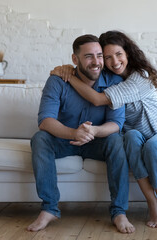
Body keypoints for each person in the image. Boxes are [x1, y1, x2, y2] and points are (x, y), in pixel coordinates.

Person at [51, 30, 157, 228]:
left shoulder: (140, 77)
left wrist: (70, 76)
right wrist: (69, 68)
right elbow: (88, 70)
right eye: (108, 57)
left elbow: (97, 100)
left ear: (127, 53)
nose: (114, 61)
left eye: (119, 54)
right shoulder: (107, 79)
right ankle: (152, 204)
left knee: (153, 147)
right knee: (129, 138)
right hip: (135, 136)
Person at [28, 34, 136, 234]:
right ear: (75, 59)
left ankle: (119, 211)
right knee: (40, 139)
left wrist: (94, 131)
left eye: (99, 55)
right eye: (88, 56)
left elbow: (116, 123)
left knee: (116, 140)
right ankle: (49, 208)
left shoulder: (114, 81)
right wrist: (74, 133)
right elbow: (45, 120)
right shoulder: (57, 80)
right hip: (65, 140)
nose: (96, 62)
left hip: (98, 141)